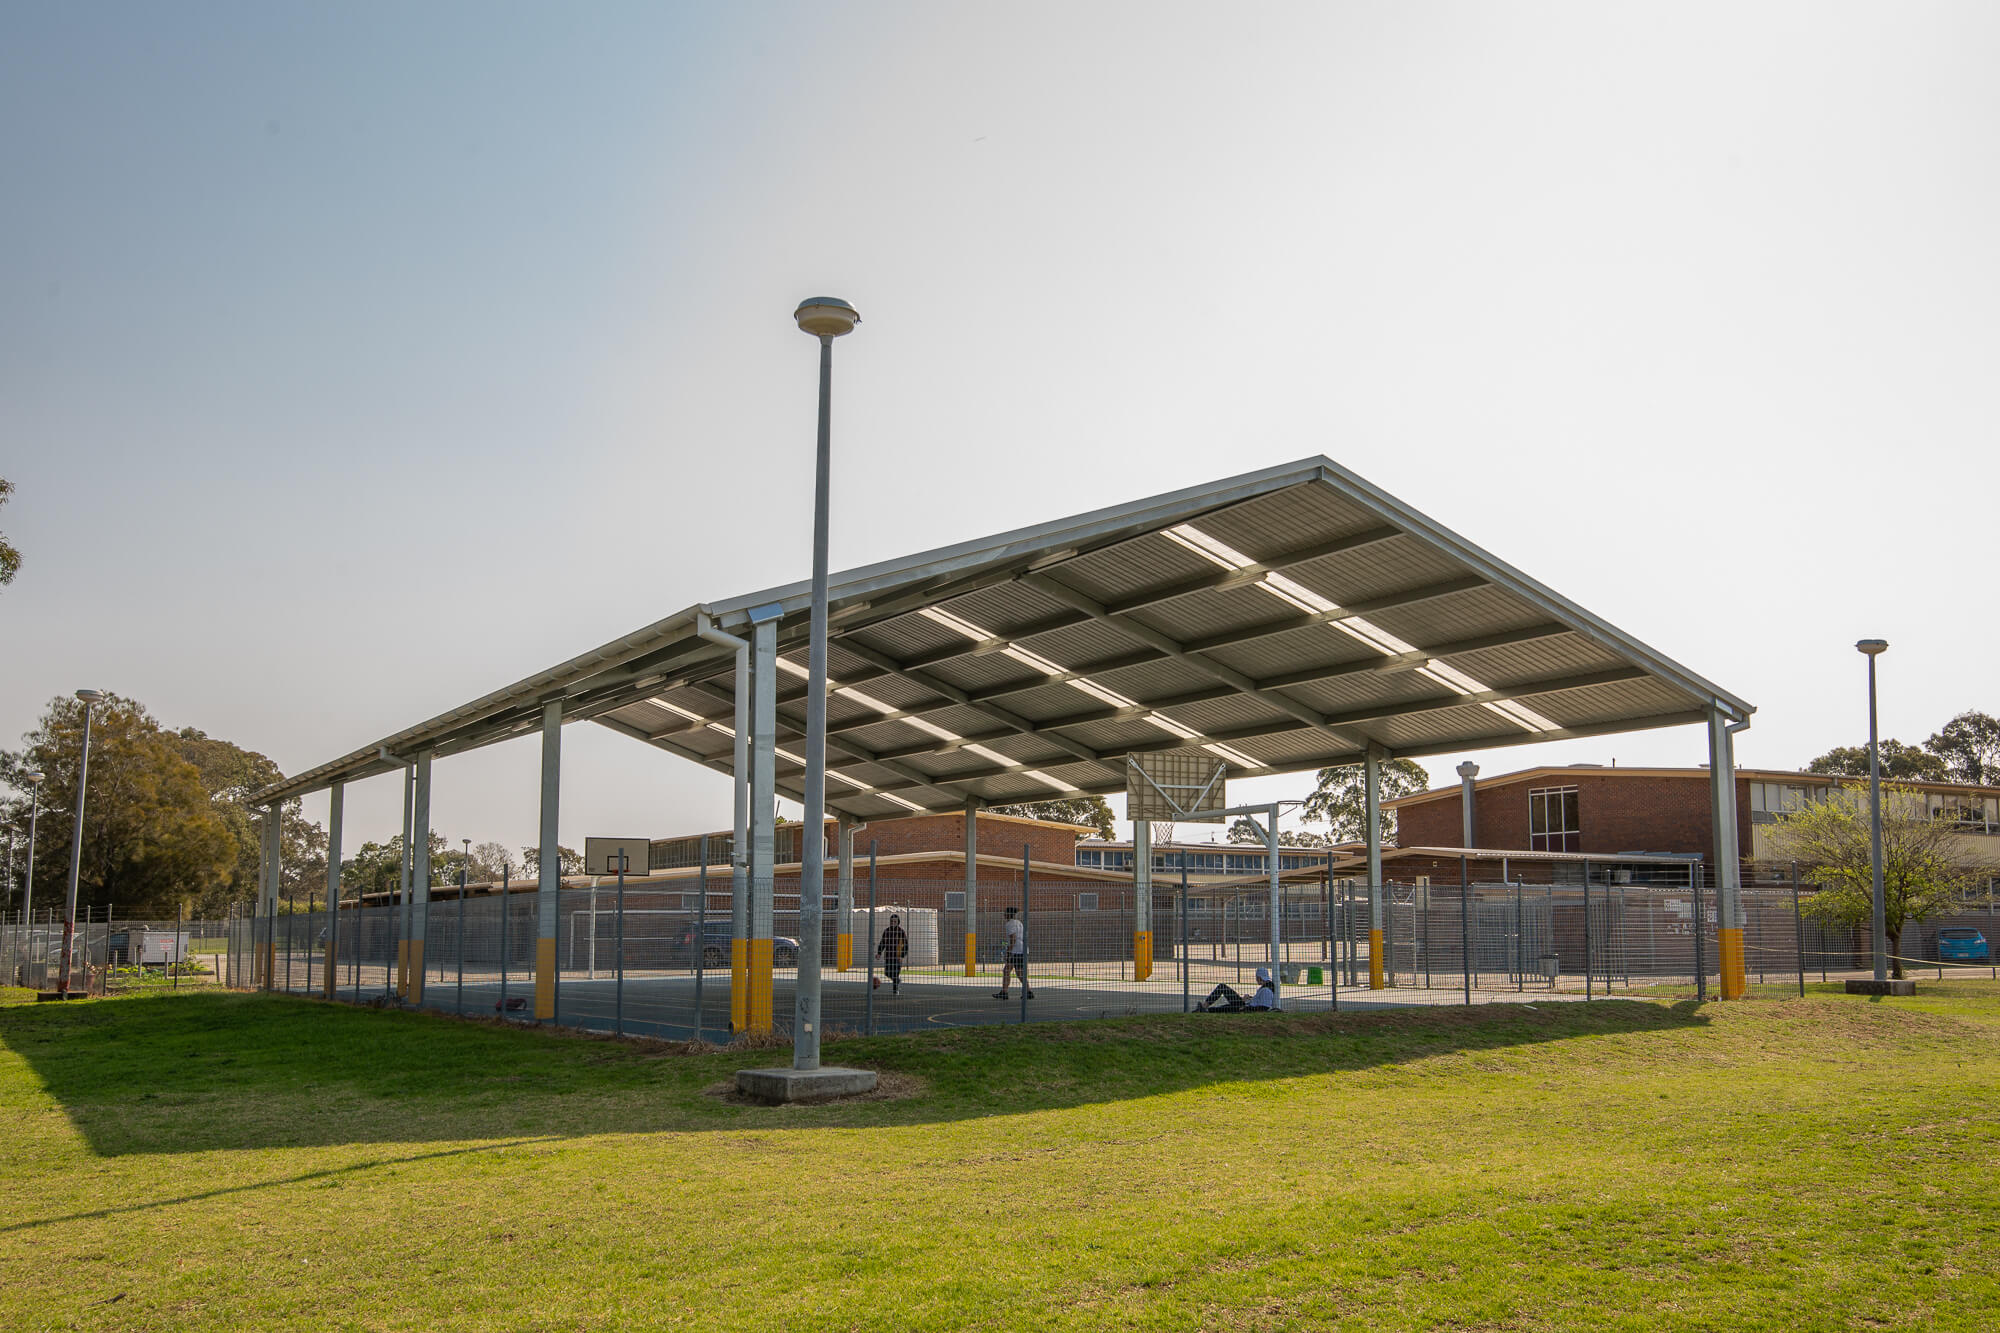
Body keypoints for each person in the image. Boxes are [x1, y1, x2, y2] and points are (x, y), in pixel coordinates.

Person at [1196, 965, 1281, 1012]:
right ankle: (1206, 1010)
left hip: (1245, 1007)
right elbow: (1259, 1001)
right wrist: (1250, 998)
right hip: (1246, 1004)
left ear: (1259, 977)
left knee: (1223, 989)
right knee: (1226, 1007)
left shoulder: (1266, 990)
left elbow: (1263, 1008)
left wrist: (1246, 1008)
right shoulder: (1265, 988)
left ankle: (1205, 1008)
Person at [994, 905, 1033, 1001]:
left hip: (1016, 951)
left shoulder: (1009, 924)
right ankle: (1007, 991)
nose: (1004, 914)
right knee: (1010, 971)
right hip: (1022, 949)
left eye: (1005, 913)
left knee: (1013, 972)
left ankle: (1024, 991)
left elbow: (1013, 938)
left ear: (1008, 914)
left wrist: (1009, 951)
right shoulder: (1019, 922)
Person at [874, 913, 909, 995]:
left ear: (898, 922)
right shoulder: (887, 931)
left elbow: (906, 945)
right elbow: (882, 943)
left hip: (897, 957)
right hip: (888, 956)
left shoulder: (901, 932)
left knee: (895, 973)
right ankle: (897, 980)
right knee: (887, 973)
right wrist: (879, 953)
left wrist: (902, 956)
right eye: (891, 921)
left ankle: (895, 990)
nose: (893, 923)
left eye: (895, 921)